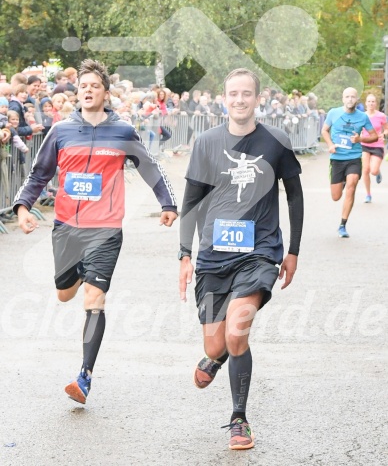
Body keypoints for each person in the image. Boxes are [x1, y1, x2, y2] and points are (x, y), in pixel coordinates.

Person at [13, 59, 178, 405]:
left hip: (105, 228)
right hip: (67, 228)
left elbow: (149, 166)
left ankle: (84, 375)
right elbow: (39, 174)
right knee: (64, 293)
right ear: (77, 93)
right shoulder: (61, 131)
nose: (87, 90)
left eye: (94, 86)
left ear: (105, 93)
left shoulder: (122, 131)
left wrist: (167, 204)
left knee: (94, 298)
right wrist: (23, 207)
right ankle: (75, 277)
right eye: (83, 86)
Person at [179, 68, 303, 450]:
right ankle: (216, 359)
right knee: (216, 346)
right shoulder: (206, 142)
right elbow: (191, 200)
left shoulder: (276, 142)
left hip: (259, 252)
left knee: (237, 332)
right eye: (233, 94)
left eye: (246, 94)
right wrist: (185, 253)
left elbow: (294, 196)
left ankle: (239, 419)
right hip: (214, 256)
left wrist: (293, 250)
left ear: (257, 98)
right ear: (224, 98)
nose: (239, 100)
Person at [321, 87, 377, 238]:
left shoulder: (362, 117)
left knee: (352, 185)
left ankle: (342, 225)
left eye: (353, 97)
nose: (350, 99)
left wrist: (360, 139)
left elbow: (374, 136)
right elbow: (324, 130)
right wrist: (330, 145)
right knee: (336, 196)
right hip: (337, 159)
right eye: (347, 97)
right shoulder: (334, 113)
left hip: (354, 157)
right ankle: (342, 181)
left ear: (357, 99)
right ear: (343, 99)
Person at [361, 94, 387, 203]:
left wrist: (383, 134)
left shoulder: (381, 116)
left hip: (377, 145)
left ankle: (377, 172)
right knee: (365, 170)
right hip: (364, 144)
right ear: (366, 103)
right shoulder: (361, 116)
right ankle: (368, 194)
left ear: (376, 103)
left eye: (373, 101)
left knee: (373, 170)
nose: (371, 104)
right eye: (369, 101)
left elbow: (386, 129)